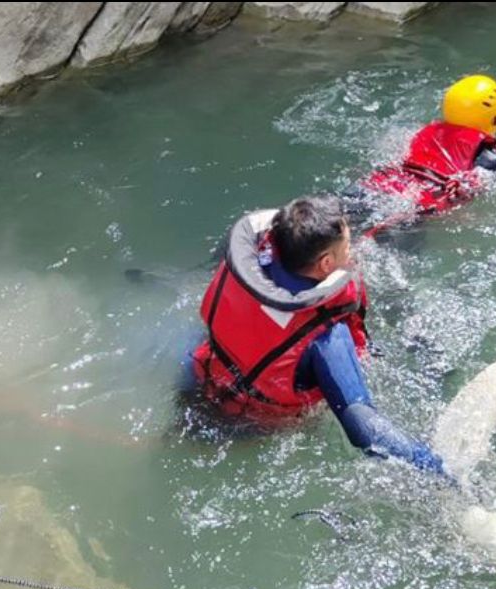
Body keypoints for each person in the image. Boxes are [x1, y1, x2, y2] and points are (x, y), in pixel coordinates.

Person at [189, 195, 446, 474]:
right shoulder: (326, 336)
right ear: (325, 264)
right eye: (347, 247)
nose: (352, 254)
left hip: (202, 379)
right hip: (256, 428)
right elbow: (364, 429)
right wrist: (440, 472)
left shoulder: (246, 267)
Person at [353, 74, 496, 234]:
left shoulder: (426, 132)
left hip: (373, 188)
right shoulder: (485, 157)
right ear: (494, 116)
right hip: (409, 211)